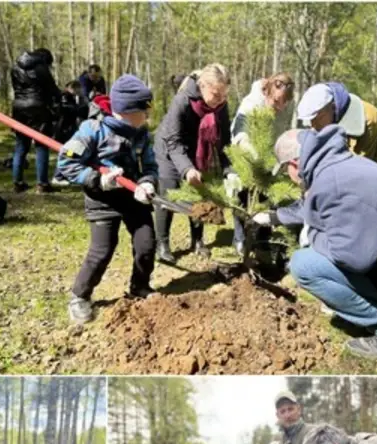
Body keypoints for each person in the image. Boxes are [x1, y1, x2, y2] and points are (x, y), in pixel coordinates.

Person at [256, 127, 377, 359]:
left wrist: (312, 235)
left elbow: (352, 259)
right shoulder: (336, 164)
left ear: (294, 164)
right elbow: (313, 206)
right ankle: (359, 301)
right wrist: (274, 217)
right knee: (315, 251)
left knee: (303, 265)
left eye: (285, 171)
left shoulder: (333, 181)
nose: (287, 178)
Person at [58, 74, 159, 325]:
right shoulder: (92, 130)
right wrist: (97, 180)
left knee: (146, 244)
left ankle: (140, 286)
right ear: (125, 111)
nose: (147, 117)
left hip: (133, 196)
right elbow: (66, 163)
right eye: (143, 111)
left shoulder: (141, 133)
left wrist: (147, 182)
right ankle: (79, 296)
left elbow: (150, 164)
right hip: (102, 199)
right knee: (102, 250)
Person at [153, 64, 239, 264]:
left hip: (198, 150)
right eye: (217, 94)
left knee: (199, 193)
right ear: (203, 86)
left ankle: (198, 240)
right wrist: (186, 168)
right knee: (168, 192)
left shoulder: (221, 104)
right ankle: (162, 243)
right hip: (169, 148)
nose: (221, 100)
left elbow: (224, 140)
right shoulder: (182, 100)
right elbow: (173, 140)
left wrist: (230, 170)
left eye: (224, 95)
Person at [229, 73, 295, 255]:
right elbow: (240, 131)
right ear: (267, 93)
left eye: (285, 103)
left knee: (266, 198)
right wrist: (254, 158)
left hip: (271, 155)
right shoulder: (252, 102)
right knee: (242, 197)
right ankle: (240, 239)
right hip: (246, 152)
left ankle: (262, 241)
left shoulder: (287, 106)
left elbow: (286, 131)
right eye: (276, 102)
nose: (280, 107)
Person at [295, 82, 377, 174]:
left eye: (317, 119)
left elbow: (360, 165)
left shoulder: (366, 120)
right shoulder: (331, 115)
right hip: (365, 159)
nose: (313, 125)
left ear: (333, 108)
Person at [10, 48, 62, 194]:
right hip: (38, 107)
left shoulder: (15, 67)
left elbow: (17, 89)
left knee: (21, 145)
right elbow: (52, 89)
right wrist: (58, 98)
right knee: (41, 144)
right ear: (45, 58)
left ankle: (17, 182)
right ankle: (42, 184)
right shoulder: (41, 67)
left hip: (19, 107)